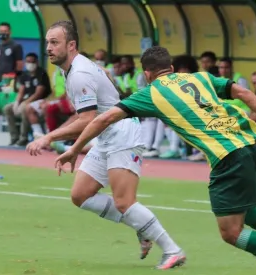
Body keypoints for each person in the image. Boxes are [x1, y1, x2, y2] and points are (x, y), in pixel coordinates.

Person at [55, 46, 256, 275]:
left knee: (231, 231)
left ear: (147, 74)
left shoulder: (152, 93)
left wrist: (76, 148)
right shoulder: (199, 78)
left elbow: (102, 119)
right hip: (246, 145)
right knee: (240, 208)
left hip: (226, 156)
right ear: (171, 68)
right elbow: (243, 93)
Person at [26, 21, 186, 269]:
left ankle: (172, 250)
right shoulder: (73, 69)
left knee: (124, 202)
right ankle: (140, 225)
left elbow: (87, 120)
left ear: (71, 45)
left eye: (54, 42)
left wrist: (50, 138)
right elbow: (90, 112)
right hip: (105, 135)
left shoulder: (79, 73)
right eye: (48, 42)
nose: (48, 48)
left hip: (122, 134)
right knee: (81, 195)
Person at [4, 53, 50, 146]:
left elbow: (38, 94)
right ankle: (14, 137)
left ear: (36, 62)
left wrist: (24, 103)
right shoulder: (24, 74)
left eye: (32, 62)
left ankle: (23, 138)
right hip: (26, 101)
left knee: (26, 108)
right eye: (28, 62)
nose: (30, 64)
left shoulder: (42, 73)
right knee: (8, 108)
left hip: (39, 102)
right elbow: (21, 91)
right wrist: (17, 102)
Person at [0, 22, 24, 133]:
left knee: (6, 106)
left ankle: (11, 131)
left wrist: (16, 79)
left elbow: (19, 65)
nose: (2, 34)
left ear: (10, 32)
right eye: (0, 32)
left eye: (5, 32)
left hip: (9, 80)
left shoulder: (16, 46)